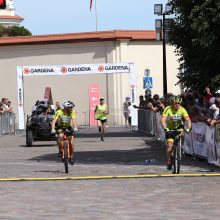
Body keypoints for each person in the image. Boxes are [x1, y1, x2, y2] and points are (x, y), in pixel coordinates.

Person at [161, 95, 192, 170]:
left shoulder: (182, 109)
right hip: (170, 129)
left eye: (179, 103)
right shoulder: (168, 108)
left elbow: (188, 119)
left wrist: (189, 128)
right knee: (169, 146)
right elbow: (163, 119)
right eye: (176, 103)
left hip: (179, 128)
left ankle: (180, 147)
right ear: (172, 103)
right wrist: (165, 128)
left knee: (182, 133)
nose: (177, 104)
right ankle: (169, 161)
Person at [51, 100, 78, 165]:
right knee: (60, 136)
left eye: (72, 107)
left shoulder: (72, 112)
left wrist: (75, 127)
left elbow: (74, 120)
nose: (71, 109)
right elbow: (54, 121)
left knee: (71, 142)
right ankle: (60, 150)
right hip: (60, 127)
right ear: (66, 108)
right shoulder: (59, 112)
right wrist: (53, 129)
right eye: (70, 107)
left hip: (68, 127)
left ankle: (71, 155)